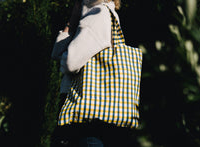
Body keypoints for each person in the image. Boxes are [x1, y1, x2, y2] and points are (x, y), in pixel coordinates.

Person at [51, 0, 139, 146]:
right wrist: (72, 20)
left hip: (83, 119)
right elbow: (57, 53)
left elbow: (69, 63)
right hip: (94, 119)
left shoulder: (97, 15)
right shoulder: (102, 14)